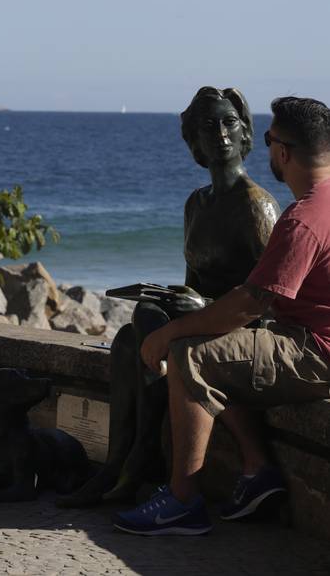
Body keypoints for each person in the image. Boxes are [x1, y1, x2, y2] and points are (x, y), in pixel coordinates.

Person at [113, 96, 330, 535]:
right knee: (216, 348)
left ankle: (182, 500)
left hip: (313, 350)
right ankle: (257, 472)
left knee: (190, 353)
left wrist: (170, 332)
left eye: (268, 139)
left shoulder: (303, 218)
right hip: (307, 339)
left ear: (282, 150)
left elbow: (250, 303)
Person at [59, 87, 280, 507]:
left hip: (241, 333)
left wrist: (201, 310)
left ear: (246, 131)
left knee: (151, 335)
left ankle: (140, 459)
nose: (220, 133)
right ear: (193, 139)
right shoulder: (196, 204)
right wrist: (176, 300)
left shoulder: (256, 208)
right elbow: (191, 282)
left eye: (229, 121)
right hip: (200, 326)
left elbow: (270, 302)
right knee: (130, 336)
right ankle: (118, 462)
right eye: (207, 125)